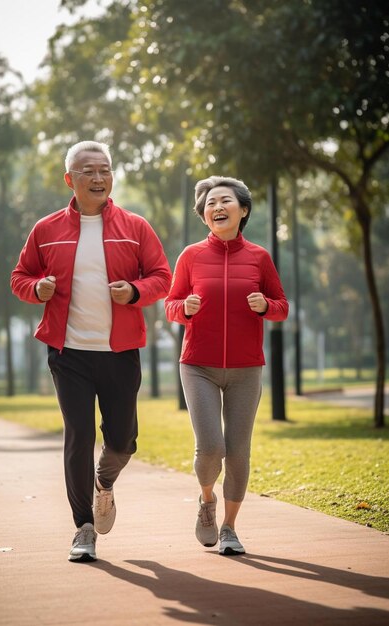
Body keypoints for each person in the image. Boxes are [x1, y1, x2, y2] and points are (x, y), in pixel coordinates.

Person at [11, 140, 171, 562]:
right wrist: (37, 288)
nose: (98, 177)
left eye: (104, 170)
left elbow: (163, 276)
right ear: (70, 179)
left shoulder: (135, 227)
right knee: (78, 435)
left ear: (112, 176)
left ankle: (104, 483)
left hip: (120, 351)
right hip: (69, 353)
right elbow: (20, 277)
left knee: (122, 442)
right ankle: (83, 527)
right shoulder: (46, 230)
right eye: (88, 171)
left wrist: (135, 291)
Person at [165, 175, 288, 555]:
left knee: (237, 451)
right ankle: (207, 501)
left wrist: (265, 306)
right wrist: (183, 309)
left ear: (243, 210)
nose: (217, 206)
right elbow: (170, 304)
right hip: (197, 364)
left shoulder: (259, 257)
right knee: (211, 448)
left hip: (245, 368)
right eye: (210, 203)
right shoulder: (190, 256)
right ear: (204, 216)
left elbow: (281, 306)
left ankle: (230, 528)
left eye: (226, 201)